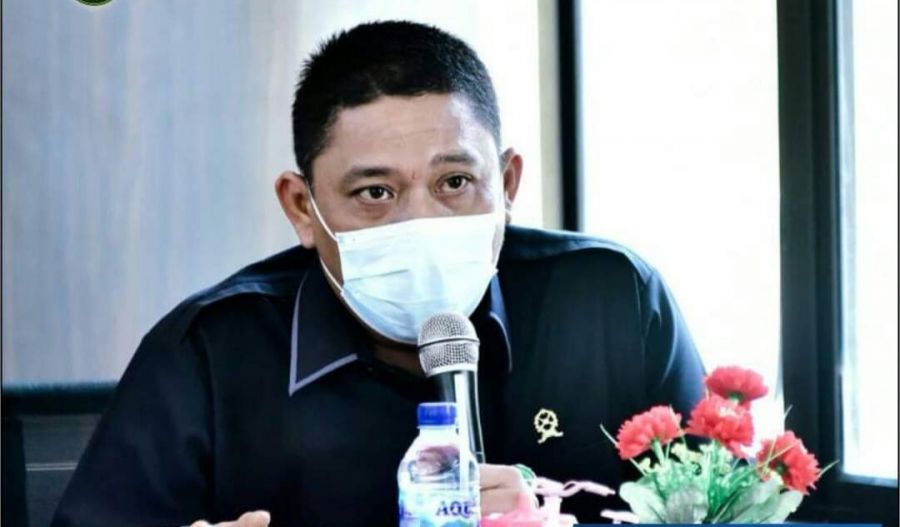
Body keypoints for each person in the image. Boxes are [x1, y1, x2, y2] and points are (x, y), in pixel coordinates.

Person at [51, 20, 704, 527]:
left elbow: (728, 508)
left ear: (507, 184)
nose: (422, 221)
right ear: (302, 208)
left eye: (455, 182)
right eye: (375, 193)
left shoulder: (615, 303)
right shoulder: (210, 353)